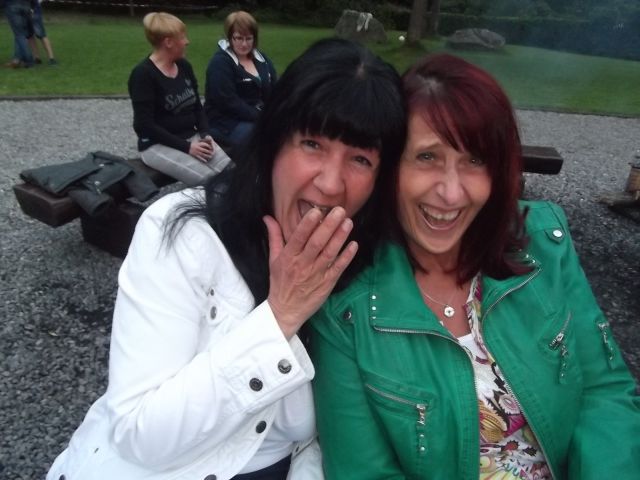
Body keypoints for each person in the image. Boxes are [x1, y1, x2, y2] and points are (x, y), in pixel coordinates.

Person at [46, 37, 406, 480]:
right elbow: (139, 434)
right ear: (274, 142)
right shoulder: (182, 234)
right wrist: (280, 316)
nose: (331, 183)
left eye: (360, 159)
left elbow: (324, 433)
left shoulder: (363, 260)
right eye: (312, 144)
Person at [311, 53, 640, 479]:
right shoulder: (346, 307)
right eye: (427, 157)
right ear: (391, 167)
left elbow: (604, 392)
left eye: (474, 160)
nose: (451, 193)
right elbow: (364, 472)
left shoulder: (544, 241)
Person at [128, 12, 231, 187]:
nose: (187, 41)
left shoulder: (184, 66)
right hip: (157, 145)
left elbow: (197, 106)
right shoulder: (143, 75)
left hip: (192, 137)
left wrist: (205, 134)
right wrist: (187, 147)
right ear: (168, 42)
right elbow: (144, 126)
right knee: (211, 182)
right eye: (182, 37)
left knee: (233, 172)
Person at [204, 10, 277, 155]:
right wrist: (262, 117)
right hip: (226, 122)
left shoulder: (261, 58)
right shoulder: (220, 63)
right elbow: (227, 102)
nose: (244, 44)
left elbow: (274, 88)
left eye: (249, 38)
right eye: (238, 38)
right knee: (263, 139)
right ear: (229, 37)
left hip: (257, 116)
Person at [4, 0, 35, 68]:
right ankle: (17, 59)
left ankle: (29, 60)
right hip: (26, 5)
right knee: (21, 33)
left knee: (19, 34)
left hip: (12, 5)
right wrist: (32, 6)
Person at [26, 0, 57, 65]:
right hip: (26, 9)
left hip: (33, 9)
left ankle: (51, 58)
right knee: (29, 36)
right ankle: (37, 58)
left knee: (41, 34)